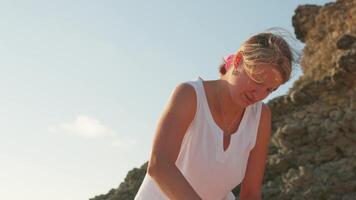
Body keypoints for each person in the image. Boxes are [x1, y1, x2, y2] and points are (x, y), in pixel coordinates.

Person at [134, 29, 296, 200]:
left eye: (269, 90)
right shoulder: (190, 96)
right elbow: (160, 165)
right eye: (257, 80)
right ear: (239, 60)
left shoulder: (260, 116)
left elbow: (251, 194)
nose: (258, 95)